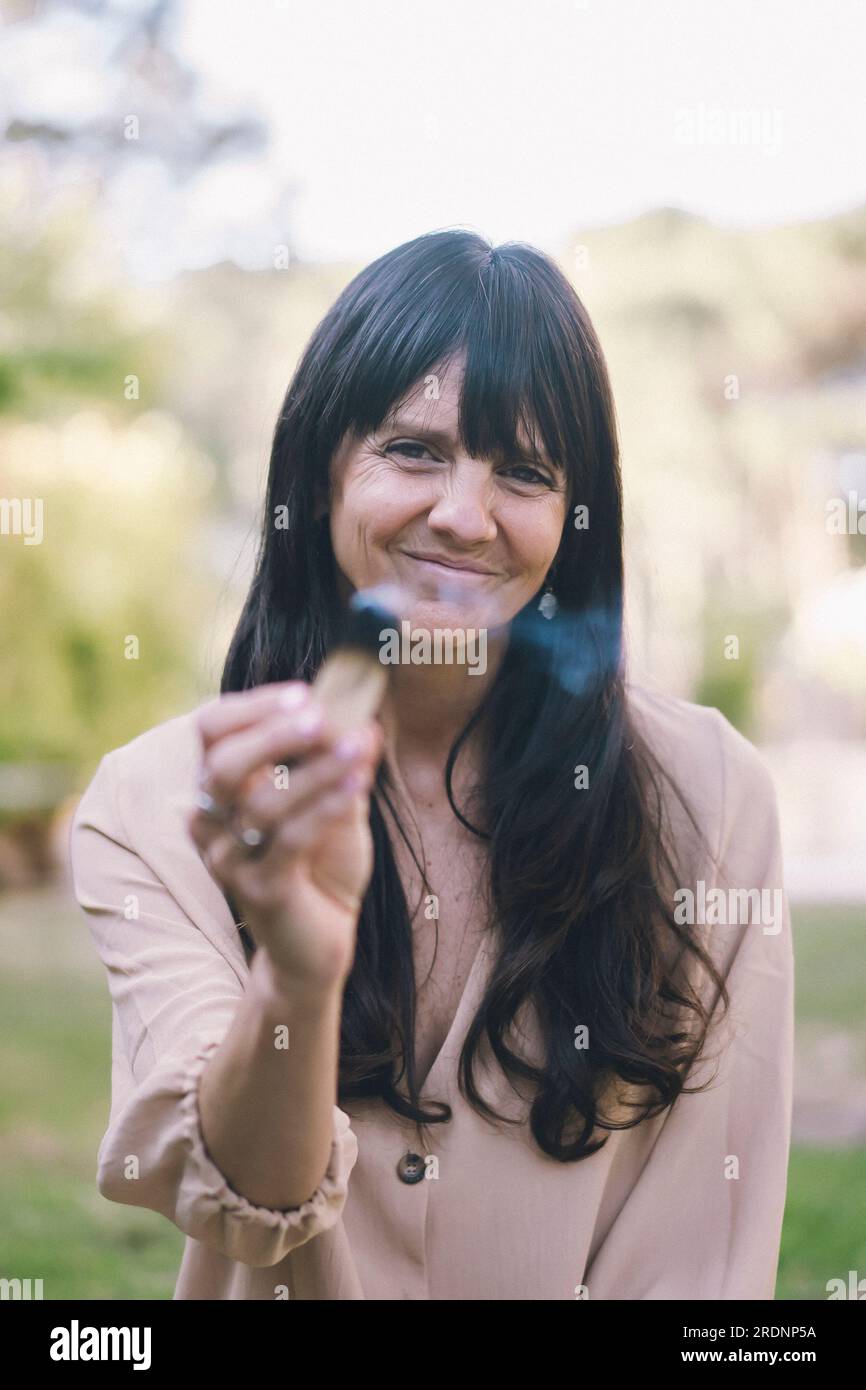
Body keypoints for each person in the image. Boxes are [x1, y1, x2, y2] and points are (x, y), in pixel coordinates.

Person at [70, 229, 794, 1301]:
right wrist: (297, 972)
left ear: (572, 522)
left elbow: (696, 1267)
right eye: (412, 450)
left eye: (525, 472)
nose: (463, 518)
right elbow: (248, 1201)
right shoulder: (154, 803)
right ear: (318, 471)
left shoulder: (712, 801)